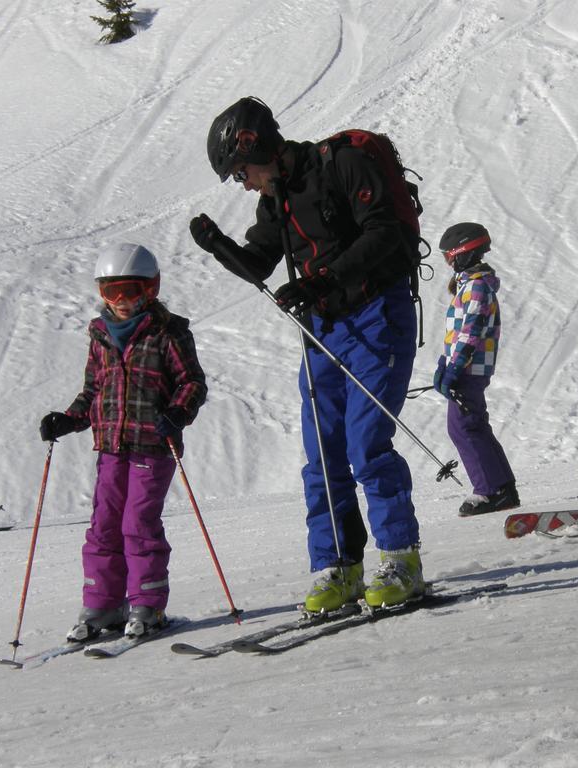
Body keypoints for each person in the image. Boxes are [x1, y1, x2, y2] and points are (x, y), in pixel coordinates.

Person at [189, 97, 423, 612]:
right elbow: (258, 264)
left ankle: (401, 559)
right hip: (323, 330)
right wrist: (218, 245)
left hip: (375, 316)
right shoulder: (277, 200)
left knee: (367, 444)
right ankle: (337, 567)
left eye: (240, 172)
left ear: (257, 147)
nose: (243, 183)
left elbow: (384, 231)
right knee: (323, 452)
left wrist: (323, 280)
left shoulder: (341, 164)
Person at [39, 243, 207, 641]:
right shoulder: (100, 335)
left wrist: (178, 412)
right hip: (111, 446)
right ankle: (103, 604)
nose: (120, 302)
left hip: (154, 443)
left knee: (138, 523)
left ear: (150, 289)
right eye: (109, 292)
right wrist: (69, 419)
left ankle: (147, 603)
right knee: (103, 524)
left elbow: (191, 383)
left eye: (129, 290)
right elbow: (94, 390)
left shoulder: (169, 332)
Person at [434, 222, 519, 516]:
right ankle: (503, 486)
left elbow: (471, 331)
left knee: (462, 428)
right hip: (468, 367)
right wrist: (443, 364)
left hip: (469, 368)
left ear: (463, 254)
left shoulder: (477, 287)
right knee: (475, 425)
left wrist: (455, 367)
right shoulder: (472, 286)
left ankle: (489, 490)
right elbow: (458, 333)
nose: (448, 263)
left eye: (450, 257)